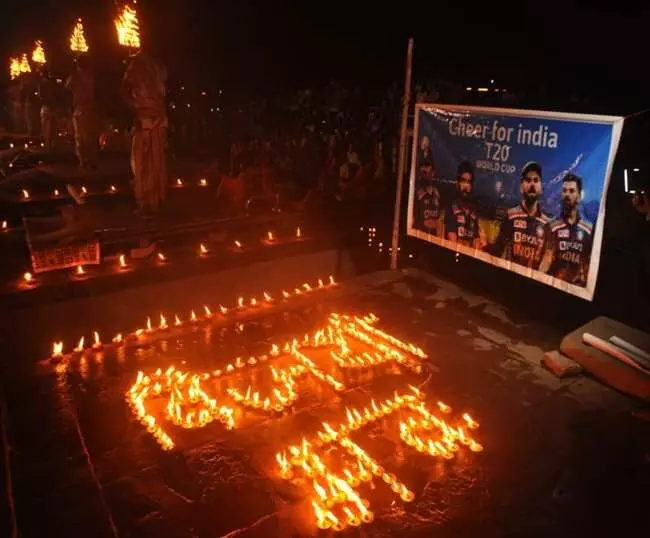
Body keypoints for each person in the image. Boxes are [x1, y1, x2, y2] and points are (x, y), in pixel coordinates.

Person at [122, 51, 168, 216]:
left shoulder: (139, 77)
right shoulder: (156, 77)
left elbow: (127, 93)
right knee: (154, 165)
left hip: (148, 126)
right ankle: (154, 202)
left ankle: (146, 205)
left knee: (143, 166)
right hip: (155, 125)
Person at [490, 161, 552, 270]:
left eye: (536, 180)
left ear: (541, 187)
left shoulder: (547, 224)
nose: (532, 184)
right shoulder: (510, 216)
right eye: (528, 180)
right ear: (521, 187)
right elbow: (497, 250)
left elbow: (548, 258)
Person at [539, 173, 593, 285]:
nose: (567, 194)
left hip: (575, 291)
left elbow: (587, 263)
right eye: (564, 190)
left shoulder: (588, 229)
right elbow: (545, 259)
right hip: (553, 286)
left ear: (579, 196)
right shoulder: (551, 227)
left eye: (572, 191)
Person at [65, 56, 98, 168]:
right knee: (89, 136)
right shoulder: (89, 76)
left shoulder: (77, 76)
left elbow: (67, 87)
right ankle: (89, 161)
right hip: (86, 109)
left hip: (82, 109)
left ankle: (84, 161)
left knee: (81, 137)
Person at [444, 161, 483, 248]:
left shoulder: (474, 212)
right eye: (463, 181)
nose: (466, 185)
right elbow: (452, 241)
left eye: (469, 182)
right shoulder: (451, 207)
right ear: (457, 183)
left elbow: (476, 240)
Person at [414, 161, 441, 235]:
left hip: (433, 238)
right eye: (422, 170)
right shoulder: (415, 192)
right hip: (419, 236)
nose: (424, 170)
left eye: (427, 167)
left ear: (433, 172)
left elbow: (439, 220)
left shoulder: (437, 193)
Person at [39, 68, 57, 149]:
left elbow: (40, 95)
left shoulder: (42, 83)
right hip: (52, 105)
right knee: (51, 125)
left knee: (46, 125)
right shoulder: (52, 82)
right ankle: (51, 143)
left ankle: (48, 144)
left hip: (46, 106)